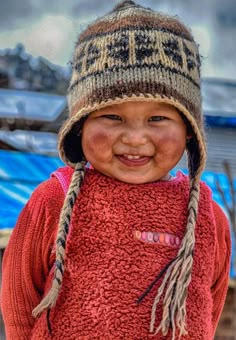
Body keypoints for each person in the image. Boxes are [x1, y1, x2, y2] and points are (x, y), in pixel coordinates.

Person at [1, 1, 231, 339]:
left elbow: (206, 312)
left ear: (189, 131)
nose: (135, 138)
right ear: (80, 126)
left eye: (158, 118)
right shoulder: (56, 199)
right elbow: (19, 303)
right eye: (112, 116)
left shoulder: (208, 217)